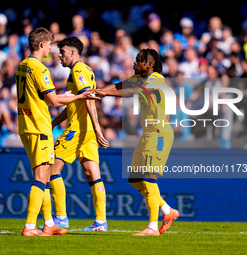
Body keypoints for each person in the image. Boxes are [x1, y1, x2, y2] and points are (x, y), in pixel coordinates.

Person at [17, 28, 97, 236]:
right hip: (38, 126)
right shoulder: (39, 68)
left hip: (25, 125)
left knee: (43, 175)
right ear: (42, 45)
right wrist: (80, 97)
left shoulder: (22, 65)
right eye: (50, 45)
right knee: (42, 175)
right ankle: (30, 226)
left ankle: (49, 222)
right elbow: (53, 101)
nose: (52, 50)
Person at [95, 48, 179, 236]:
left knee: (149, 178)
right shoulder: (140, 78)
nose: (135, 63)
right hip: (148, 134)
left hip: (159, 133)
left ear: (150, 65)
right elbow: (119, 86)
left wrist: (104, 95)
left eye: (139, 60)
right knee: (134, 178)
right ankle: (167, 211)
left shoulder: (155, 79)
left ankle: (152, 227)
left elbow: (131, 92)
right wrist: (98, 91)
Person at [43, 36, 109, 232]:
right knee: (93, 175)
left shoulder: (78, 70)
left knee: (51, 170)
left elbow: (88, 98)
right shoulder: (86, 69)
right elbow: (76, 102)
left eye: (62, 52)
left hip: (77, 130)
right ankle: (101, 222)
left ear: (73, 52)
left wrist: (98, 128)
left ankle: (61, 218)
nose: (59, 55)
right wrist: (54, 122)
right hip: (87, 130)